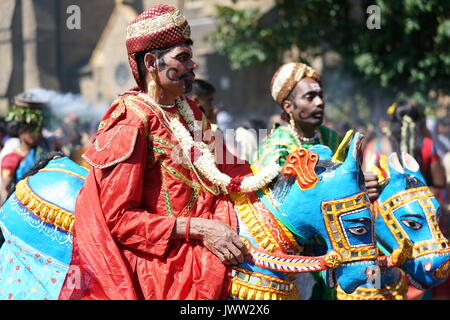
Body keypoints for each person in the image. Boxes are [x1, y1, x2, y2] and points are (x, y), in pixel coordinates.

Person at [58, 5, 255, 300]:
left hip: (217, 237)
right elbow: (119, 220)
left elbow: (229, 167)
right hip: (162, 263)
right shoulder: (130, 122)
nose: (193, 66)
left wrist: (278, 179)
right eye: (183, 58)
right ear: (151, 62)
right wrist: (200, 228)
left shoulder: (189, 110)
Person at [253, 62, 380, 300]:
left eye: (321, 95)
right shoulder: (276, 147)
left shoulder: (332, 138)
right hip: (298, 257)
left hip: (339, 247)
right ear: (288, 106)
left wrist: (365, 187)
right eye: (310, 97)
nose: (320, 102)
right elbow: (275, 209)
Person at [0, 92, 57, 204]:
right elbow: (4, 188)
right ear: (21, 132)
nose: (37, 135)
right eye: (32, 131)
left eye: (39, 130)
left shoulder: (46, 148)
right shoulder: (12, 159)